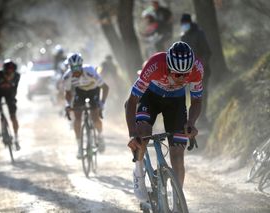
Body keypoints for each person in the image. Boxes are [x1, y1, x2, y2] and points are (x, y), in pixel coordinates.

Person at [125, 41, 203, 201]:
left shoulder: (197, 69)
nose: (182, 79)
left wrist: (191, 122)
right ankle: (139, 173)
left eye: (185, 74)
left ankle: (178, 201)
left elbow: (196, 101)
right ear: (167, 68)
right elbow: (132, 101)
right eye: (177, 74)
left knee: (177, 154)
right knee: (143, 134)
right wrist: (133, 133)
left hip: (176, 102)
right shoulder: (155, 65)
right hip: (150, 97)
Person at [63, 53, 109, 158]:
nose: (76, 71)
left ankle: (100, 137)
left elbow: (105, 87)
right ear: (69, 67)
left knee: (95, 117)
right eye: (73, 69)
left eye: (78, 68)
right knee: (77, 118)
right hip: (80, 92)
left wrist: (102, 103)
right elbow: (68, 93)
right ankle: (79, 147)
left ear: (81, 66)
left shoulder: (90, 71)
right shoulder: (67, 76)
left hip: (94, 91)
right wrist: (67, 104)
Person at [180, 13, 211, 126]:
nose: (184, 25)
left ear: (190, 23)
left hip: (203, 71)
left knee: (202, 94)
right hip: (187, 73)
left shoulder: (199, 33)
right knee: (189, 95)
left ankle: (203, 117)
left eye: (185, 23)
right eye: (182, 24)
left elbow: (207, 52)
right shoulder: (183, 36)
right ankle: (191, 119)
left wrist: (201, 64)